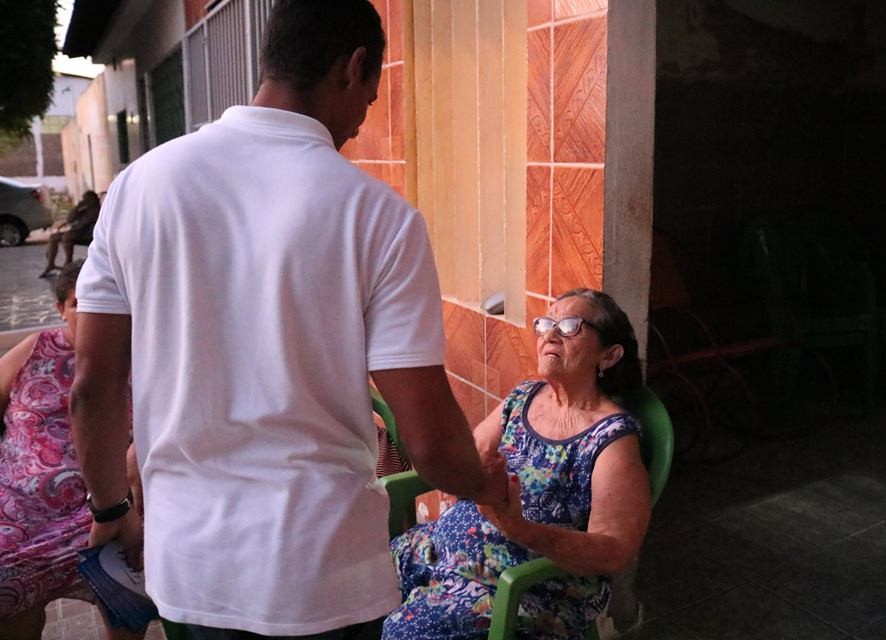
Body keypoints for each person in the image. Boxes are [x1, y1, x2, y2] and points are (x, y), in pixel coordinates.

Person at [69, 1, 506, 639]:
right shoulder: (378, 217)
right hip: (324, 577)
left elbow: (93, 383)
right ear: (353, 67)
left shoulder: (139, 187)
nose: (360, 123)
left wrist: (110, 509)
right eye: (371, 98)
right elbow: (435, 446)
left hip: (192, 571)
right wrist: (487, 485)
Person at [383, 289, 653, 640]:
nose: (549, 335)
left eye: (570, 326)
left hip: (522, 590)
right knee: (357, 577)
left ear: (610, 354)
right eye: (545, 324)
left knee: (404, 631)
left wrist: (517, 527)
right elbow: (473, 453)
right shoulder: (525, 396)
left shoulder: (611, 438)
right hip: (443, 550)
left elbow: (614, 551)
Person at [0, 261, 144, 640]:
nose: (95, 311)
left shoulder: (139, 357)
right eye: (81, 302)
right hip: (21, 516)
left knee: (128, 603)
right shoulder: (36, 349)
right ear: (60, 308)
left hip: (109, 510)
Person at [40, 191, 100, 278]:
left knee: (67, 236)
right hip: (79, 233)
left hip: (89, 235)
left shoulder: (97, 211)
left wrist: (78, 223)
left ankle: (68, 262)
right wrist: (78, 207)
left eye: (87, 199)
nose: (85, 201)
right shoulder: (84, 210)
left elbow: (84, 225)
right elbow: (69, 219)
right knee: (54, 237)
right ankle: (50, 264)